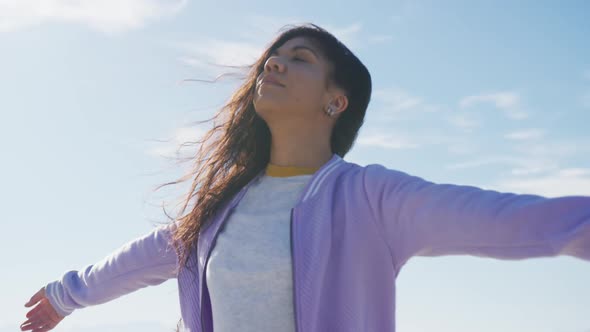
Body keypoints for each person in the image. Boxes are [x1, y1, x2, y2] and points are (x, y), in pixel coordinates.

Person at [21, 23, 590, 332]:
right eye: (274, 56)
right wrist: (64, 296)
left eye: (300, 59)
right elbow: (140, 258)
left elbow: (502, 220)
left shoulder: (369, 197)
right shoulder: (221, 210)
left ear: (336, 101)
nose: (275, 63)